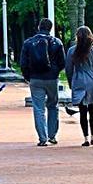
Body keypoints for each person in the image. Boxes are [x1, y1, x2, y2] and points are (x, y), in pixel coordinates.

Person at [20, 17, 64, 146]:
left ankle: (42, 137)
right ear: (50, 28)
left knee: (38, 108)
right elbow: (62, 62)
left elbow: (23, 63)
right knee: (53, 106)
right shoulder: (56, 42)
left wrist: (28, 77)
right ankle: (52, 135)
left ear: (39, 27)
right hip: (51, 79)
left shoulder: (28, 43)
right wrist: (54, 72)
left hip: (35, 79)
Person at [65, 26, 93, 147]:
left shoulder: (72, 51)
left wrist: (71, 82)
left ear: (77, 36)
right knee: (92, 111)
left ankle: (86, 138)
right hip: (92, 81)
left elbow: (68, 69)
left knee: (83, 111)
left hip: (78, 80)